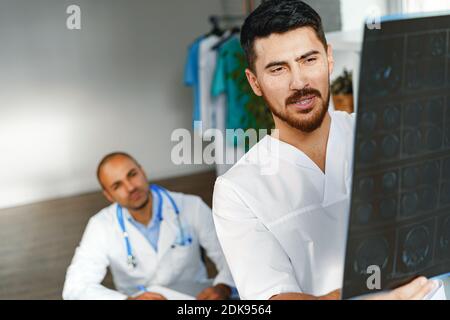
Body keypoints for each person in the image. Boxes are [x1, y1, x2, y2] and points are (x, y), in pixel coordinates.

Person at [212, 0, 438, 300]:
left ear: (329, 59)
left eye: (309, 59)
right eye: (278, 69)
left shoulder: (390, 136)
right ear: (254, 82)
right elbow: (274, 298)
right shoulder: (237, 191)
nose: (300, 82)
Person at [63, 152, 234, 300]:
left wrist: (224, 285)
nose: (130, 187)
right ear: (109, 195)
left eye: (132, 174)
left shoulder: (191, 206)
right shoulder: (101, 226)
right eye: (117, 185)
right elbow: (75, 288)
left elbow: (231, 254)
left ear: (142, 171)